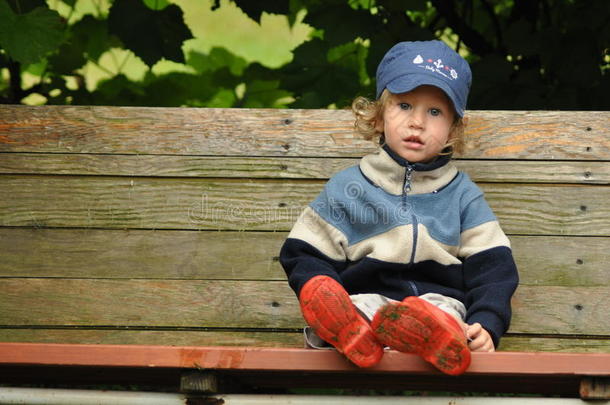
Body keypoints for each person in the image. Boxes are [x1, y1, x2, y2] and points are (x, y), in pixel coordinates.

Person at [279, 40, 519, 376]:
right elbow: (303, 252)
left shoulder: (463, 195)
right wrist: (318, 284)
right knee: (354, 309)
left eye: (434, 112)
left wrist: (487, 322)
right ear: (378, 118)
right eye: (404, 105)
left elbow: (493, 268)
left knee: (443, 314)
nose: (417, 122)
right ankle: (349, 333)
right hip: (366, 301)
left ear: (452, 129)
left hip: (437, 303)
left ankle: (433, 337)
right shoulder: (350, 188)